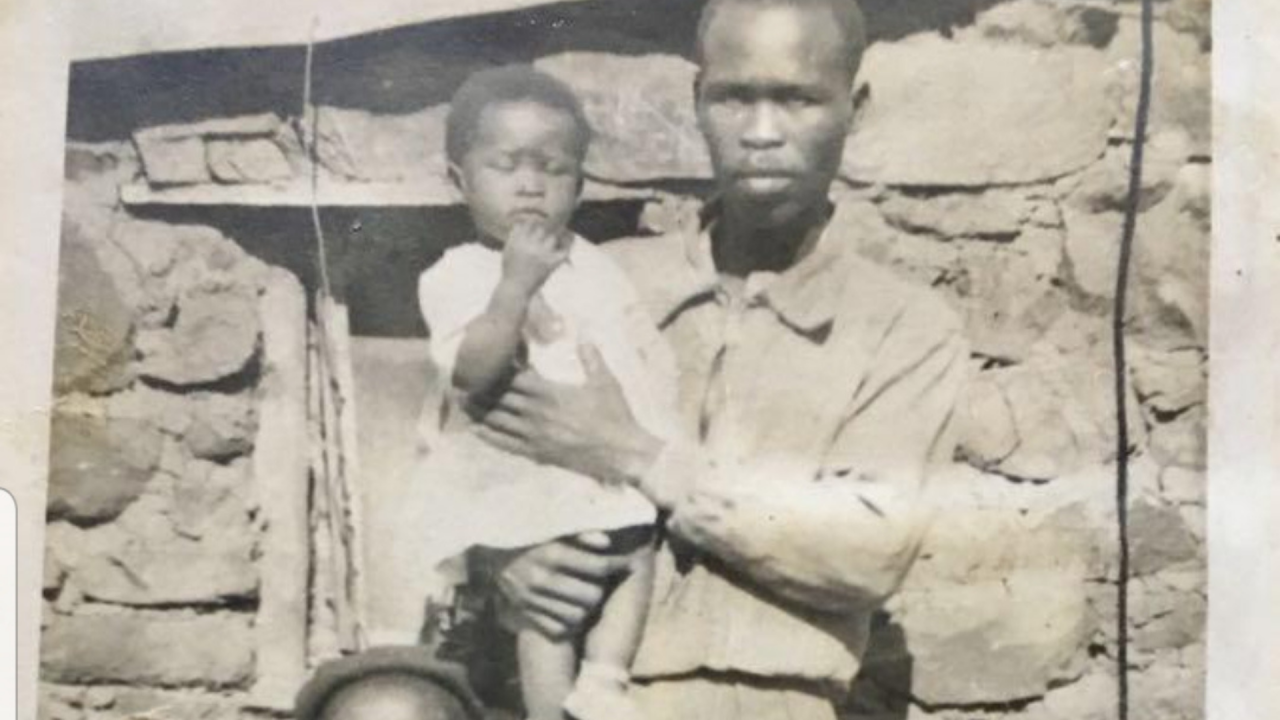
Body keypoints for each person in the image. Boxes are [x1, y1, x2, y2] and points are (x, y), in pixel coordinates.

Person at [295, 1, 970, 719]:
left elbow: (868, 551)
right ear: (697, 101)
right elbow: (456, 450)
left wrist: (636, 454)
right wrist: (500, 565)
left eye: (799, 99)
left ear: (853, 109)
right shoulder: (596, 282)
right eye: (735, 97)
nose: (763, 131)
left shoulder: (902, 328)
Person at [372, 65, 676, 720]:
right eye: (506, 165)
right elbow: (473, 373)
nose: (531, 184)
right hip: (514, 475)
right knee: (548, 613)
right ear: (461, 181)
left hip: (593, 463)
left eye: (555, 168)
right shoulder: (458, 274)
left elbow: (636, 352)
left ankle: (604, 680)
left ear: (581, 184)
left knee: (635, 555)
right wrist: (514, 286)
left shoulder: (599, 267)